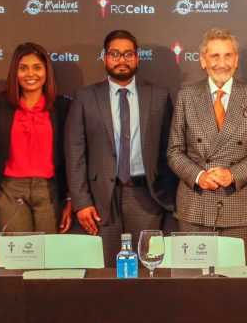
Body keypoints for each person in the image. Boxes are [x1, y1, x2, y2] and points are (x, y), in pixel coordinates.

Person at [65, 30, 176, 263]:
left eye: (128, 54)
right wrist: (81, 201)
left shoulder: (158, 96)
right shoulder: (86, 98)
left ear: (137, 58)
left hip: (146, 197)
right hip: (99, 200)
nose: (121, 59)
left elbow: (170, 149)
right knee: (105, 270)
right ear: (105, 58)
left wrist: (167, 196)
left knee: (147, 267)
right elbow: (74, 152)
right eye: (115, 54)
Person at [167, 28, 247, 251]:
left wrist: (233, 174)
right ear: (203, 60)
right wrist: (199, 176)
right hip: (195, 205)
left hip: (238, 206)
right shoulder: (186, 97)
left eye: (228, 56)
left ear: (236, 60)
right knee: (194, 271)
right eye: (215, 56)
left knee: (234, 272)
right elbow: (174, 151)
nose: (222, 63)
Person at [0, 42, 72, 235]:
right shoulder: (0, 103)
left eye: (37, 67)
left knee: (49, 252)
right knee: (17, 252)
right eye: (23, 68)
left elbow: (73, 156)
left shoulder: (62, 107)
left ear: (46, 71)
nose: (30, 74)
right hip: (9, 190)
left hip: (50, 190)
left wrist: (70, 199)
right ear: (15, 72)